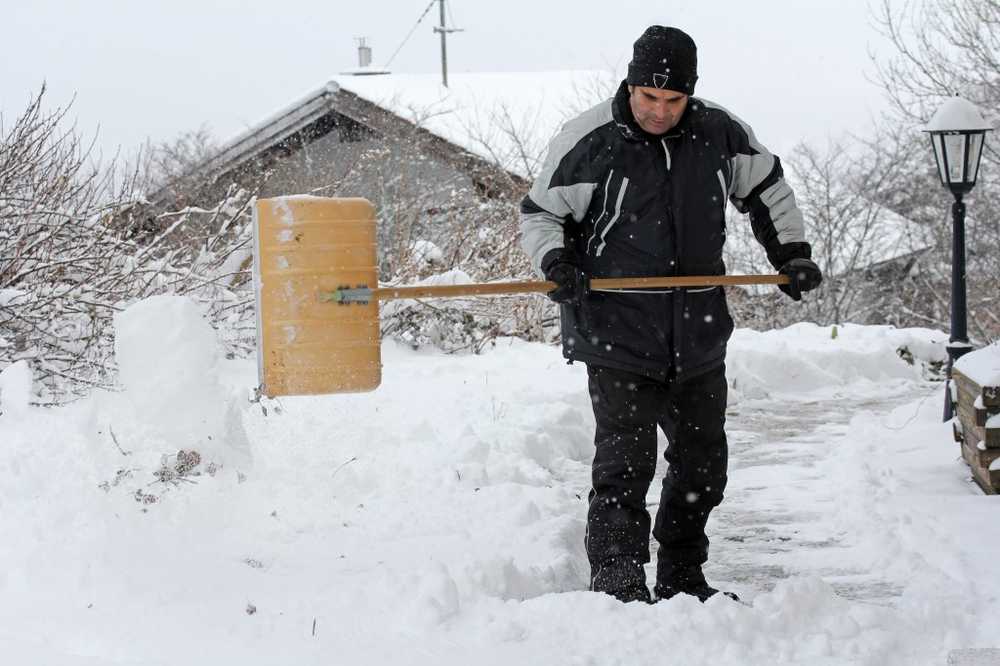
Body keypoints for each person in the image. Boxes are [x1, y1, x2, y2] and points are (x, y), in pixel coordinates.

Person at [519, 25, 822, 604]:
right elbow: (540, 215)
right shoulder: (590, 141)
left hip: (699, 333)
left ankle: (683, 576)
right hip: (616, 332)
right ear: (630, 85)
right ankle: (618, 582)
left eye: (673, 100)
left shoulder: (719, 134)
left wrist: (792, 254)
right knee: (625, 466)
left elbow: (769, 191)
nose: (659, 111)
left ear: (690, 95)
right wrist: (557, 261)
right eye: (649, 97)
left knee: (703, 465)